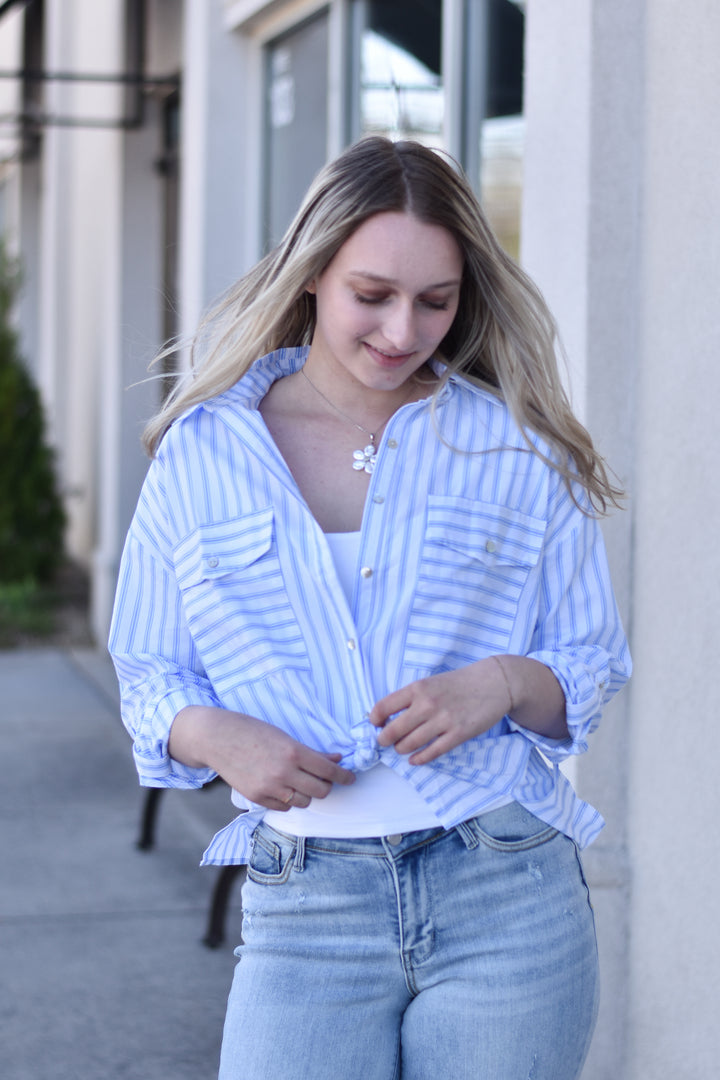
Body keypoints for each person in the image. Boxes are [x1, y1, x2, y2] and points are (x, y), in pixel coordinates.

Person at [109, 136, 631, 1080]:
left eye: (438, 300)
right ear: (311, 274)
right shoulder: (204, 452)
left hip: (505, 888)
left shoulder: (514, 447)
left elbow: (591, 663)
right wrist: (217, 733)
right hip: (306, 902)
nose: (404, 330)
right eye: (372, 295)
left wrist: (503, 684)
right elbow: (150, 671)